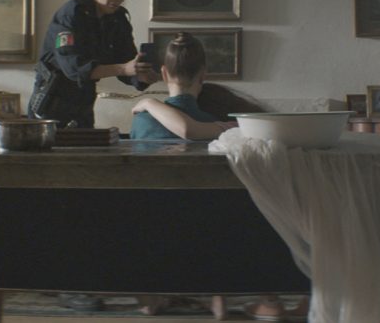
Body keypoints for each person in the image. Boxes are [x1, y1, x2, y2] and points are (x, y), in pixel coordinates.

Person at [130, 35, 309, 321]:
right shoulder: (215, 119)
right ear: (204, 74)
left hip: (155, 222)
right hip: (212, 222)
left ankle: (154, 294)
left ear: (163, 73)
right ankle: (225, 295)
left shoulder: (142, 120)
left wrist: (149, 102)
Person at [27, 0, 158, 129]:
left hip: (83, 106)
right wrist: (124, 68)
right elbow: (74, 69)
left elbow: (126, 61)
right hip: (49, 104)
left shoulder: (118, 20)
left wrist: (141, 75)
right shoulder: (71, 14)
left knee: (88, 153)